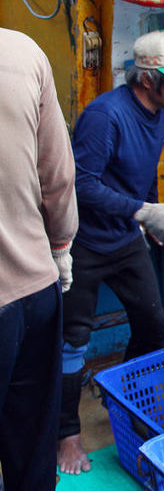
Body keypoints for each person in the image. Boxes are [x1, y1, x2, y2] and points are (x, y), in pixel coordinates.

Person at [57, 30, 164, 474]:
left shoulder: (162, 109)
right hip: (82, 242)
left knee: (153, 324)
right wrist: (144, 211)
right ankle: (66, 435)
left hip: (126, 237)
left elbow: (144, 169)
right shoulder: (105, 117)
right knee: (72, 345)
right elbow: (81, 184)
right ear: (146, 79)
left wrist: (152, 219)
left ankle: (118, 393)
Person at [0, 28, 77, 490]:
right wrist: (61, 247)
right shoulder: (24, 51)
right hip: (36, 289)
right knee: (32, 448)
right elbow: (58, 175)